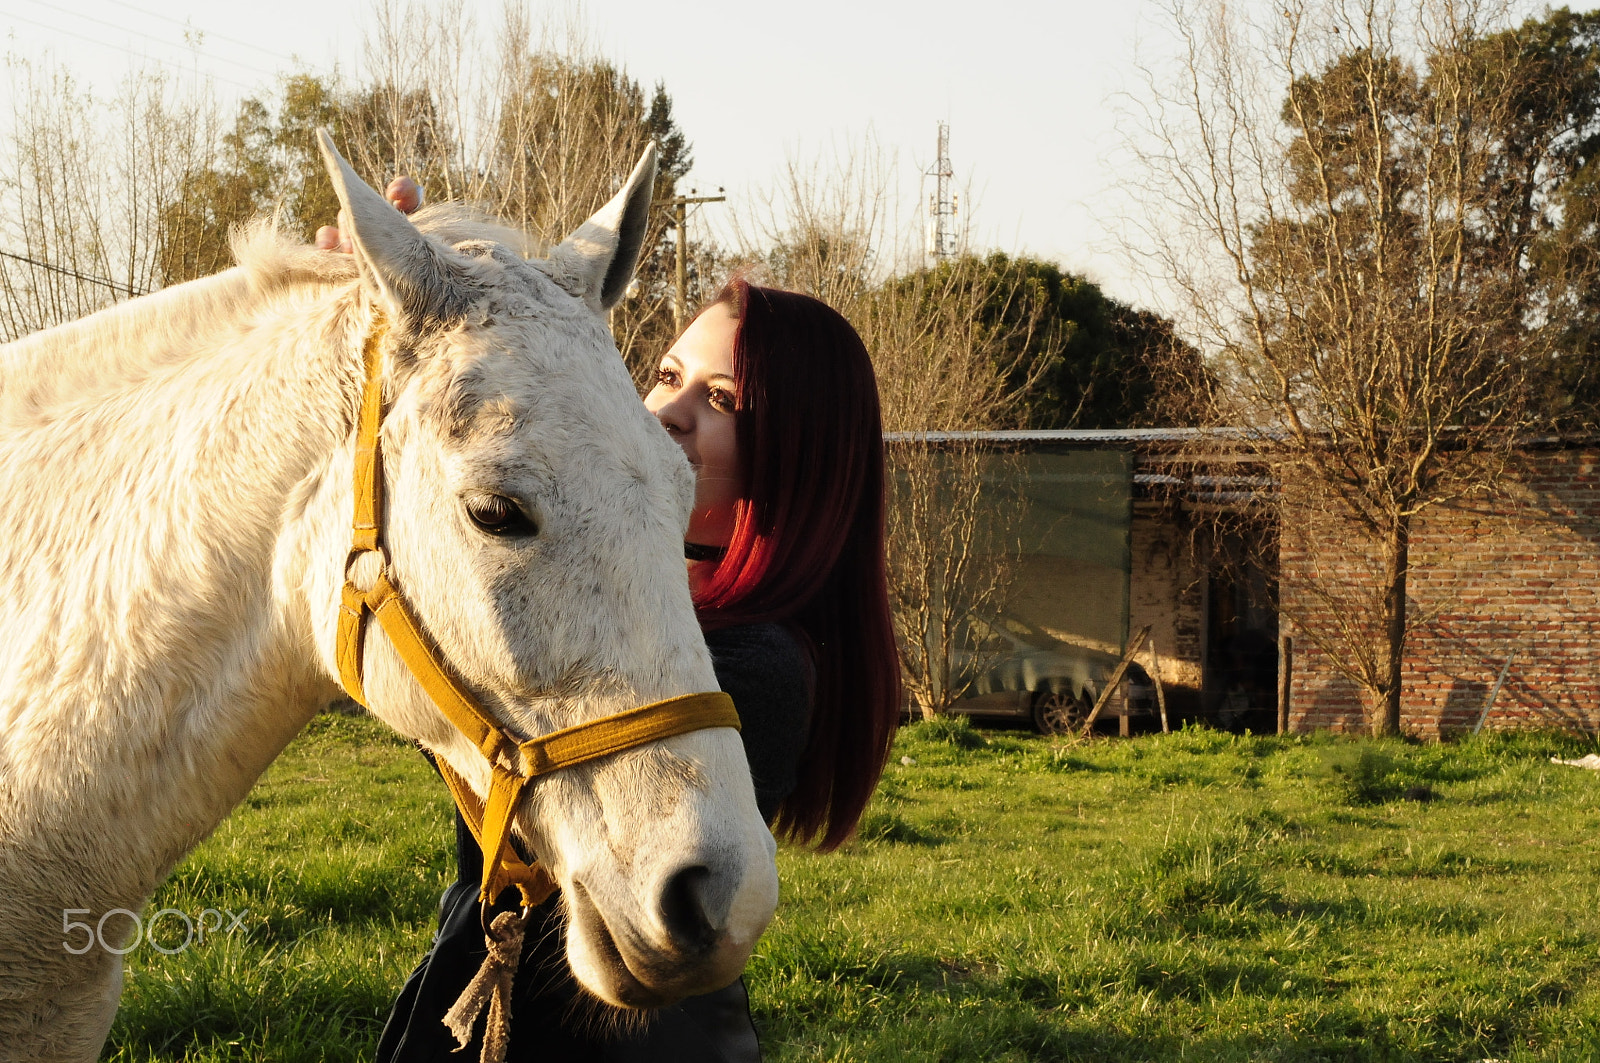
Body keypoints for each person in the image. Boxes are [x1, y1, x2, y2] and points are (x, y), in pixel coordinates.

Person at [325, 188, 902, 1061]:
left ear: (801, 455)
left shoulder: (762, 662)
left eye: (725, 400)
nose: (669, 410)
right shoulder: (652, 601)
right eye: (668, 376)